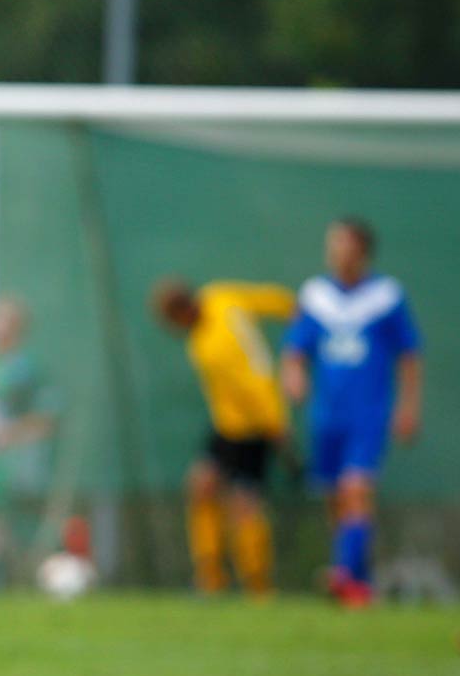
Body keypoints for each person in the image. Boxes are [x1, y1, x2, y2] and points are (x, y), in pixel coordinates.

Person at [280, 217, 422, 608]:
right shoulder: (316, 295)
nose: (334, 251)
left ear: (361, 250)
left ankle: (344, 574)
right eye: (331, 243)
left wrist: (408, 407)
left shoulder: (386, 296)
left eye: (342, 243)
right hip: (327, 415)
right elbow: (295, 349)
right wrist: (293, 377)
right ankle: (358, 584)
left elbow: (409, 356)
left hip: (369, 412)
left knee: (355, 490)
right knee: (335, 501)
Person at [151, 277, 296, 595]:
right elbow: (266, 299)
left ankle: (257, 585)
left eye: (170, 321)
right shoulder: (220, 297)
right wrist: (291, 308)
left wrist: (277, 426)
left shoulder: (211, 345)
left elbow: (252, 381)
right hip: (227, 424)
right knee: (201, 486)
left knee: (244, 503)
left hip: (251, 426)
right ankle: (210, 577)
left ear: (181, 312)